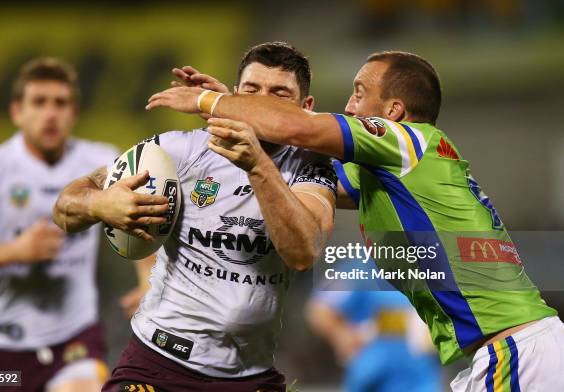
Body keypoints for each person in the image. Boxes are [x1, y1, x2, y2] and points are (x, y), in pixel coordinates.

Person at [145, 50, 564, 391]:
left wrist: (209, 101)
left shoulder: (407, 141)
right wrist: (239, 112)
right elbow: (296, 171)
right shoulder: (391, 175)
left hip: (517, 354)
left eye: (359, 93)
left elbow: (298, 129)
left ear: (394, 111)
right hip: (504, 353)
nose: (348, 106)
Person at [53, 42, 337, 392]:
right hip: (158, 364)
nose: (261, 102)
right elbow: (65, 206)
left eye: (279, 94)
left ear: (306, 107)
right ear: (234, 95)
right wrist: (99, 204)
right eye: (251, 91)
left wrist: (258, 166)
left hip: (250, 374)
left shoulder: (311, 166)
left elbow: (303, 252)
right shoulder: (183, 149)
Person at [0, 57, 121, 392]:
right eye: (39, 102)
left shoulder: (102, 162)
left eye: (61, 103)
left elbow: (139, 215)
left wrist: (147, 277)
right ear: (17, 111)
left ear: (74, 112)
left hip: (74, 342)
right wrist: (15, 251)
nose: (50, 114)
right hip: (2, 349)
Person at [307, 287, 441, 392]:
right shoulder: (362, 269)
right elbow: (320, 308)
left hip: (418, 382)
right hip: (370, 379)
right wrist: (341, 335)